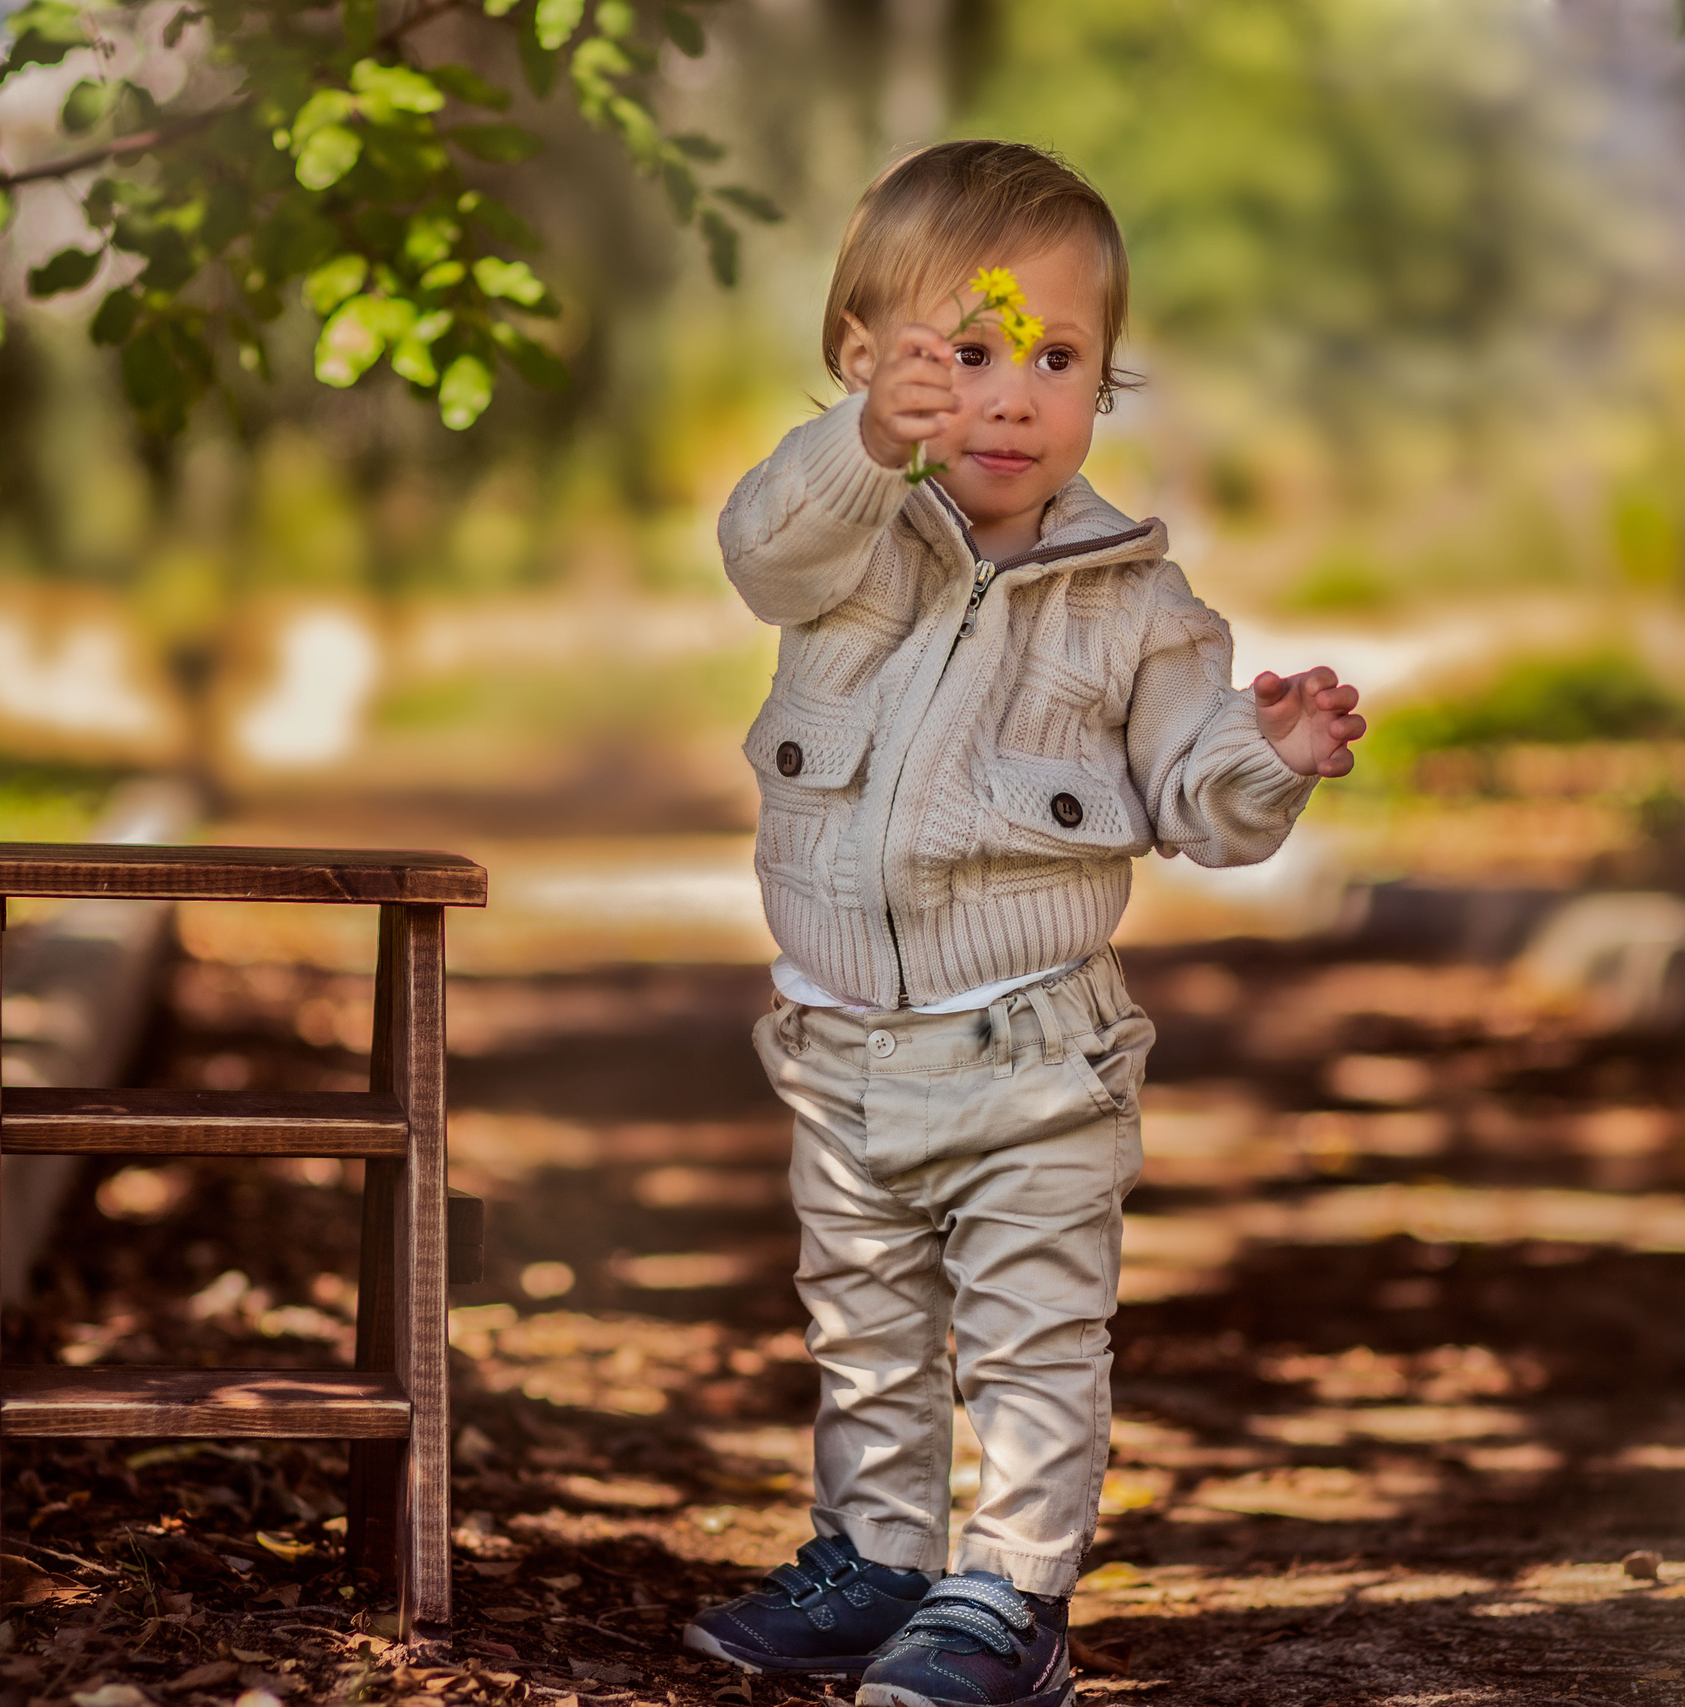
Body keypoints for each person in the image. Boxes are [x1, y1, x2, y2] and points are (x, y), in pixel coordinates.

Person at [679, 140, 1365, 1707]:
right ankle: (881, 1561)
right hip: (842, 1045)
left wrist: (1272, 753)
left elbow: (1200, 797)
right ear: (867, 363)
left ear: (1105, 382)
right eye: (965, 355)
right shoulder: (846, 538)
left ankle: (1012, 1597)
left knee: (1032, 1334)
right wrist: (862, 448)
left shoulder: (1134, 600)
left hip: (1036, 1052)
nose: (1009, 396)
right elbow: (757, 551)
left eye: (1056, 360)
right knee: (865, 1329)